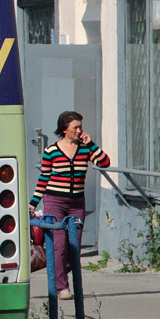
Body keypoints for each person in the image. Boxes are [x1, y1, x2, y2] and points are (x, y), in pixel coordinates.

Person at [28, 110, 111, 300]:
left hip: (76, 203)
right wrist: (33, 203)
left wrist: (90, 143)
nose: (79, 130)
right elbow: (44, 178)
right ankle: (61, 287)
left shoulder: (85, 148)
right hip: (55, 201)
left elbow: (105, 162)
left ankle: (62, 274)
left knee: (73, 246)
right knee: (59, 245)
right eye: (76, 127)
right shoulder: (52, 151)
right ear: (65, 129)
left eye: (80, 126)